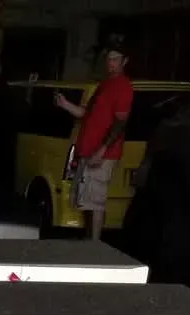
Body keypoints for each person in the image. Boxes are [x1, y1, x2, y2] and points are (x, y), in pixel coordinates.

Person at [55, 38, 134, 240]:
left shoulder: (123, 87)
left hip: (102, 154)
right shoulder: (104, 85)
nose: (111, 63)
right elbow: (85, 113)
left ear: (125, 61)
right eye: (109, 59)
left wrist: (102, 151)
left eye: (116, 59)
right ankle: (89, 242)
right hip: (87, 150)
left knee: (95, 202)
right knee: (85, 201)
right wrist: (65, 105)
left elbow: (120, 123)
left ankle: (95, 245)